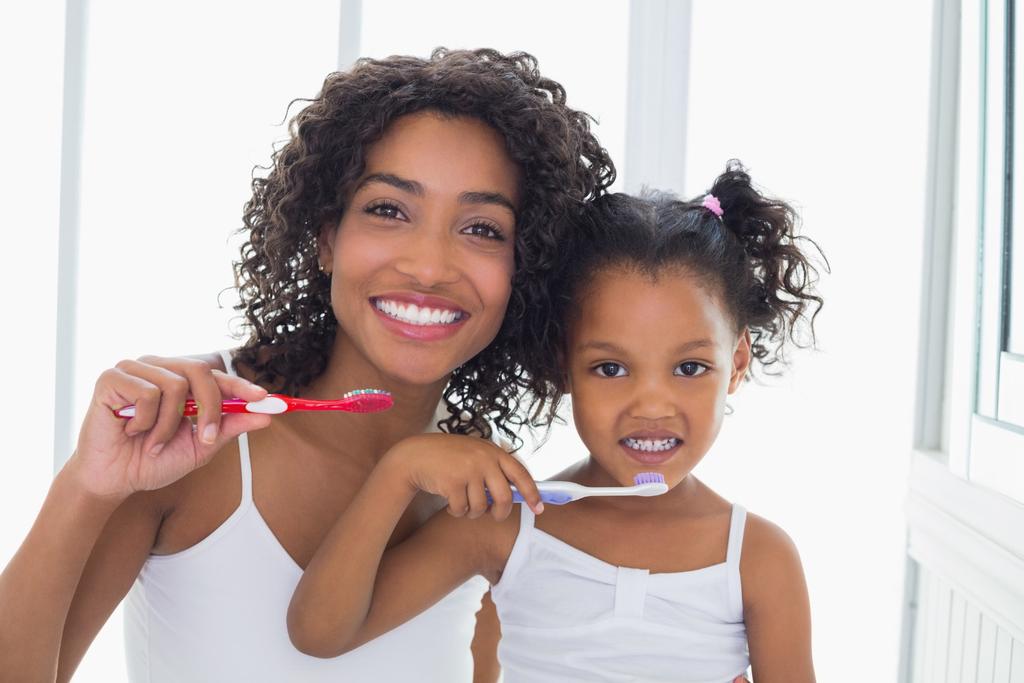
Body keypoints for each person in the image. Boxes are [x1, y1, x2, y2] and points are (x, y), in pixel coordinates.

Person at [0, 48, 615, 682]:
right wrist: (86, 485)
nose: (430, 267)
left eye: (483, 228)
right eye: (388, 210)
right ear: (326, 236)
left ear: (526, 267)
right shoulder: (196, 429)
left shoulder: (482, 495)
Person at [287, 162, 823, 682]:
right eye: (610, 367)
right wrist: (399, 470)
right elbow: (320, 633)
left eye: (690, 367)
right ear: (561, 364)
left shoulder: (757, 559)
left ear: (738, 365)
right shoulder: (507, 524)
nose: (652, 405)